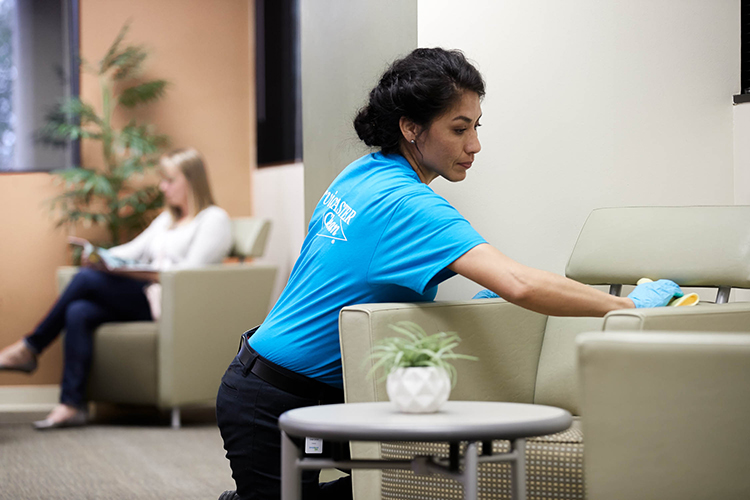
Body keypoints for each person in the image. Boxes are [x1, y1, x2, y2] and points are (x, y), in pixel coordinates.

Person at [215, 48, 683, 500]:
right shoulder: (411, 206)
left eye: (476, 127)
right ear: (411, 127)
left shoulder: (363, 173)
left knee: (418, 481)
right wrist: (626, 305)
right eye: (460, 129)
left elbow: (359, 286)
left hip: (315, 390)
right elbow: (518, 282)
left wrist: (465, 317)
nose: (474, 145)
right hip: (270, 401)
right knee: (410, 484)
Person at [0, 148, 233, 429]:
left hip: (175, 304)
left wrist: (140, 272)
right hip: (149, 299)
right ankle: (71, 405)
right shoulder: (167, 220)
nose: (163, 186)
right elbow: (129, 251)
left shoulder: (213, 219)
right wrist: (99, 255)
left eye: (170, 180)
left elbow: (190, 273)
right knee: (79, 311)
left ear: (192, 180)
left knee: (86, 281)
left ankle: (30, 347)